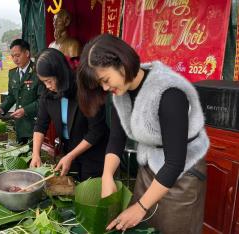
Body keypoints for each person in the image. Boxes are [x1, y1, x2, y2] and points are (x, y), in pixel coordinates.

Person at [76, 34, 209, 233]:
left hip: (182, 174)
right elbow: (116, 139)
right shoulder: (120, 92)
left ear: (121, 64)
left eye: (105, 80)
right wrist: (106, 176)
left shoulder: (169, 93)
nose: (105, 88)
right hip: (149, 169)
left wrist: (140, 207)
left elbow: (174, 163)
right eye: (100, 84)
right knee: (142, 228)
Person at [30, 48, 109, 181]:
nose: (47, 86)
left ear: (59, 73)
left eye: (49, 81)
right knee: (70, 187)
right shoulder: (49, 94)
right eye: (43, 82)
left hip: (93, 152)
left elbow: (96, 130)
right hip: (69, 149)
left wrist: (71, 156)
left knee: (88, 190)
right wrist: (35, 154)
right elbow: (40, 125)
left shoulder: (86, 88)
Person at [0, 39, 42, 145]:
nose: (15, 59)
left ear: (27, 53)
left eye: (17, 55)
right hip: (19, 124)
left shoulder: (38, 71)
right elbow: (11, 96)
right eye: (12, 56)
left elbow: (43, 100)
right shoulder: (13, 73)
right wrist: (1, 108)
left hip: (35, 123)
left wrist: (25, 110)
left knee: (34, 156)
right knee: (21, 155)